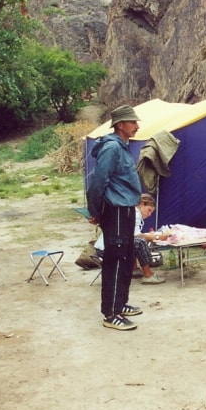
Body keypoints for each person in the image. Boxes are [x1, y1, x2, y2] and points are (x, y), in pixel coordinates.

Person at [86, 105, 144, 331]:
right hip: (116, 210)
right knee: (116, 260)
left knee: (127, 257)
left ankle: (121, 303)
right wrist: (95, 211)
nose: (137, 126)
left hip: (126, 209)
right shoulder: (111, 148)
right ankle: (110, 313)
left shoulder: (122, 146)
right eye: (133, 122)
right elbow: (98, 183)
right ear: (121, 125)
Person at [95, 193, 166, 285]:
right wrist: (156, 237)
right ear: (142, 204)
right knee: (140, 242)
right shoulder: (135, 213)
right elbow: (137, 235)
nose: (149, 215)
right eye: (149, 210)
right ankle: (148, 275)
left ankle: (134, 269)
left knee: (132, 242)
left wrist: (150, 236)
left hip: (102, 248)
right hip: (107, 250)